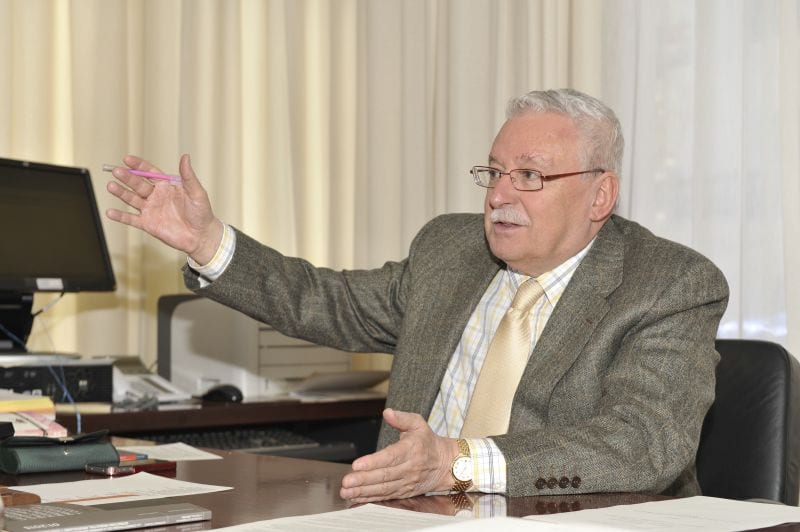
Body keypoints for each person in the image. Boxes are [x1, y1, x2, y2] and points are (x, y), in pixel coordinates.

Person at [106, 89, 729, 504]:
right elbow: (330, 302)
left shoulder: (668, 283)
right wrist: (208, 241)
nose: (498, 195)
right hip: (410, 516)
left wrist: (457, 463)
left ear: (600, 195)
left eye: (530, 176)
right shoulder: (450, 250)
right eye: (494, 173)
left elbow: (643, 442)